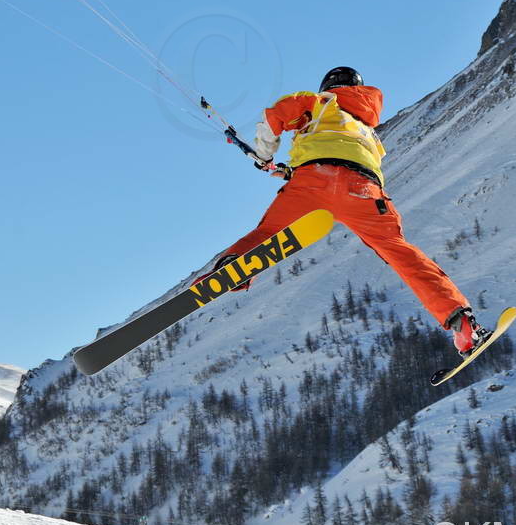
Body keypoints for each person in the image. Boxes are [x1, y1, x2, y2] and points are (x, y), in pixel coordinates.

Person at [194, 67, 490, 358]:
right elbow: (343, 160)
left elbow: (277, 115)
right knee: (399, 251)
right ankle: (460, 320)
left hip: (313, 182)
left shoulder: (320, 103)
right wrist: (290, 171)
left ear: (328, 86)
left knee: (270, 233)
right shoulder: (367, 130)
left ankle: (232, 268)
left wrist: (264, 154)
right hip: (364, 191)